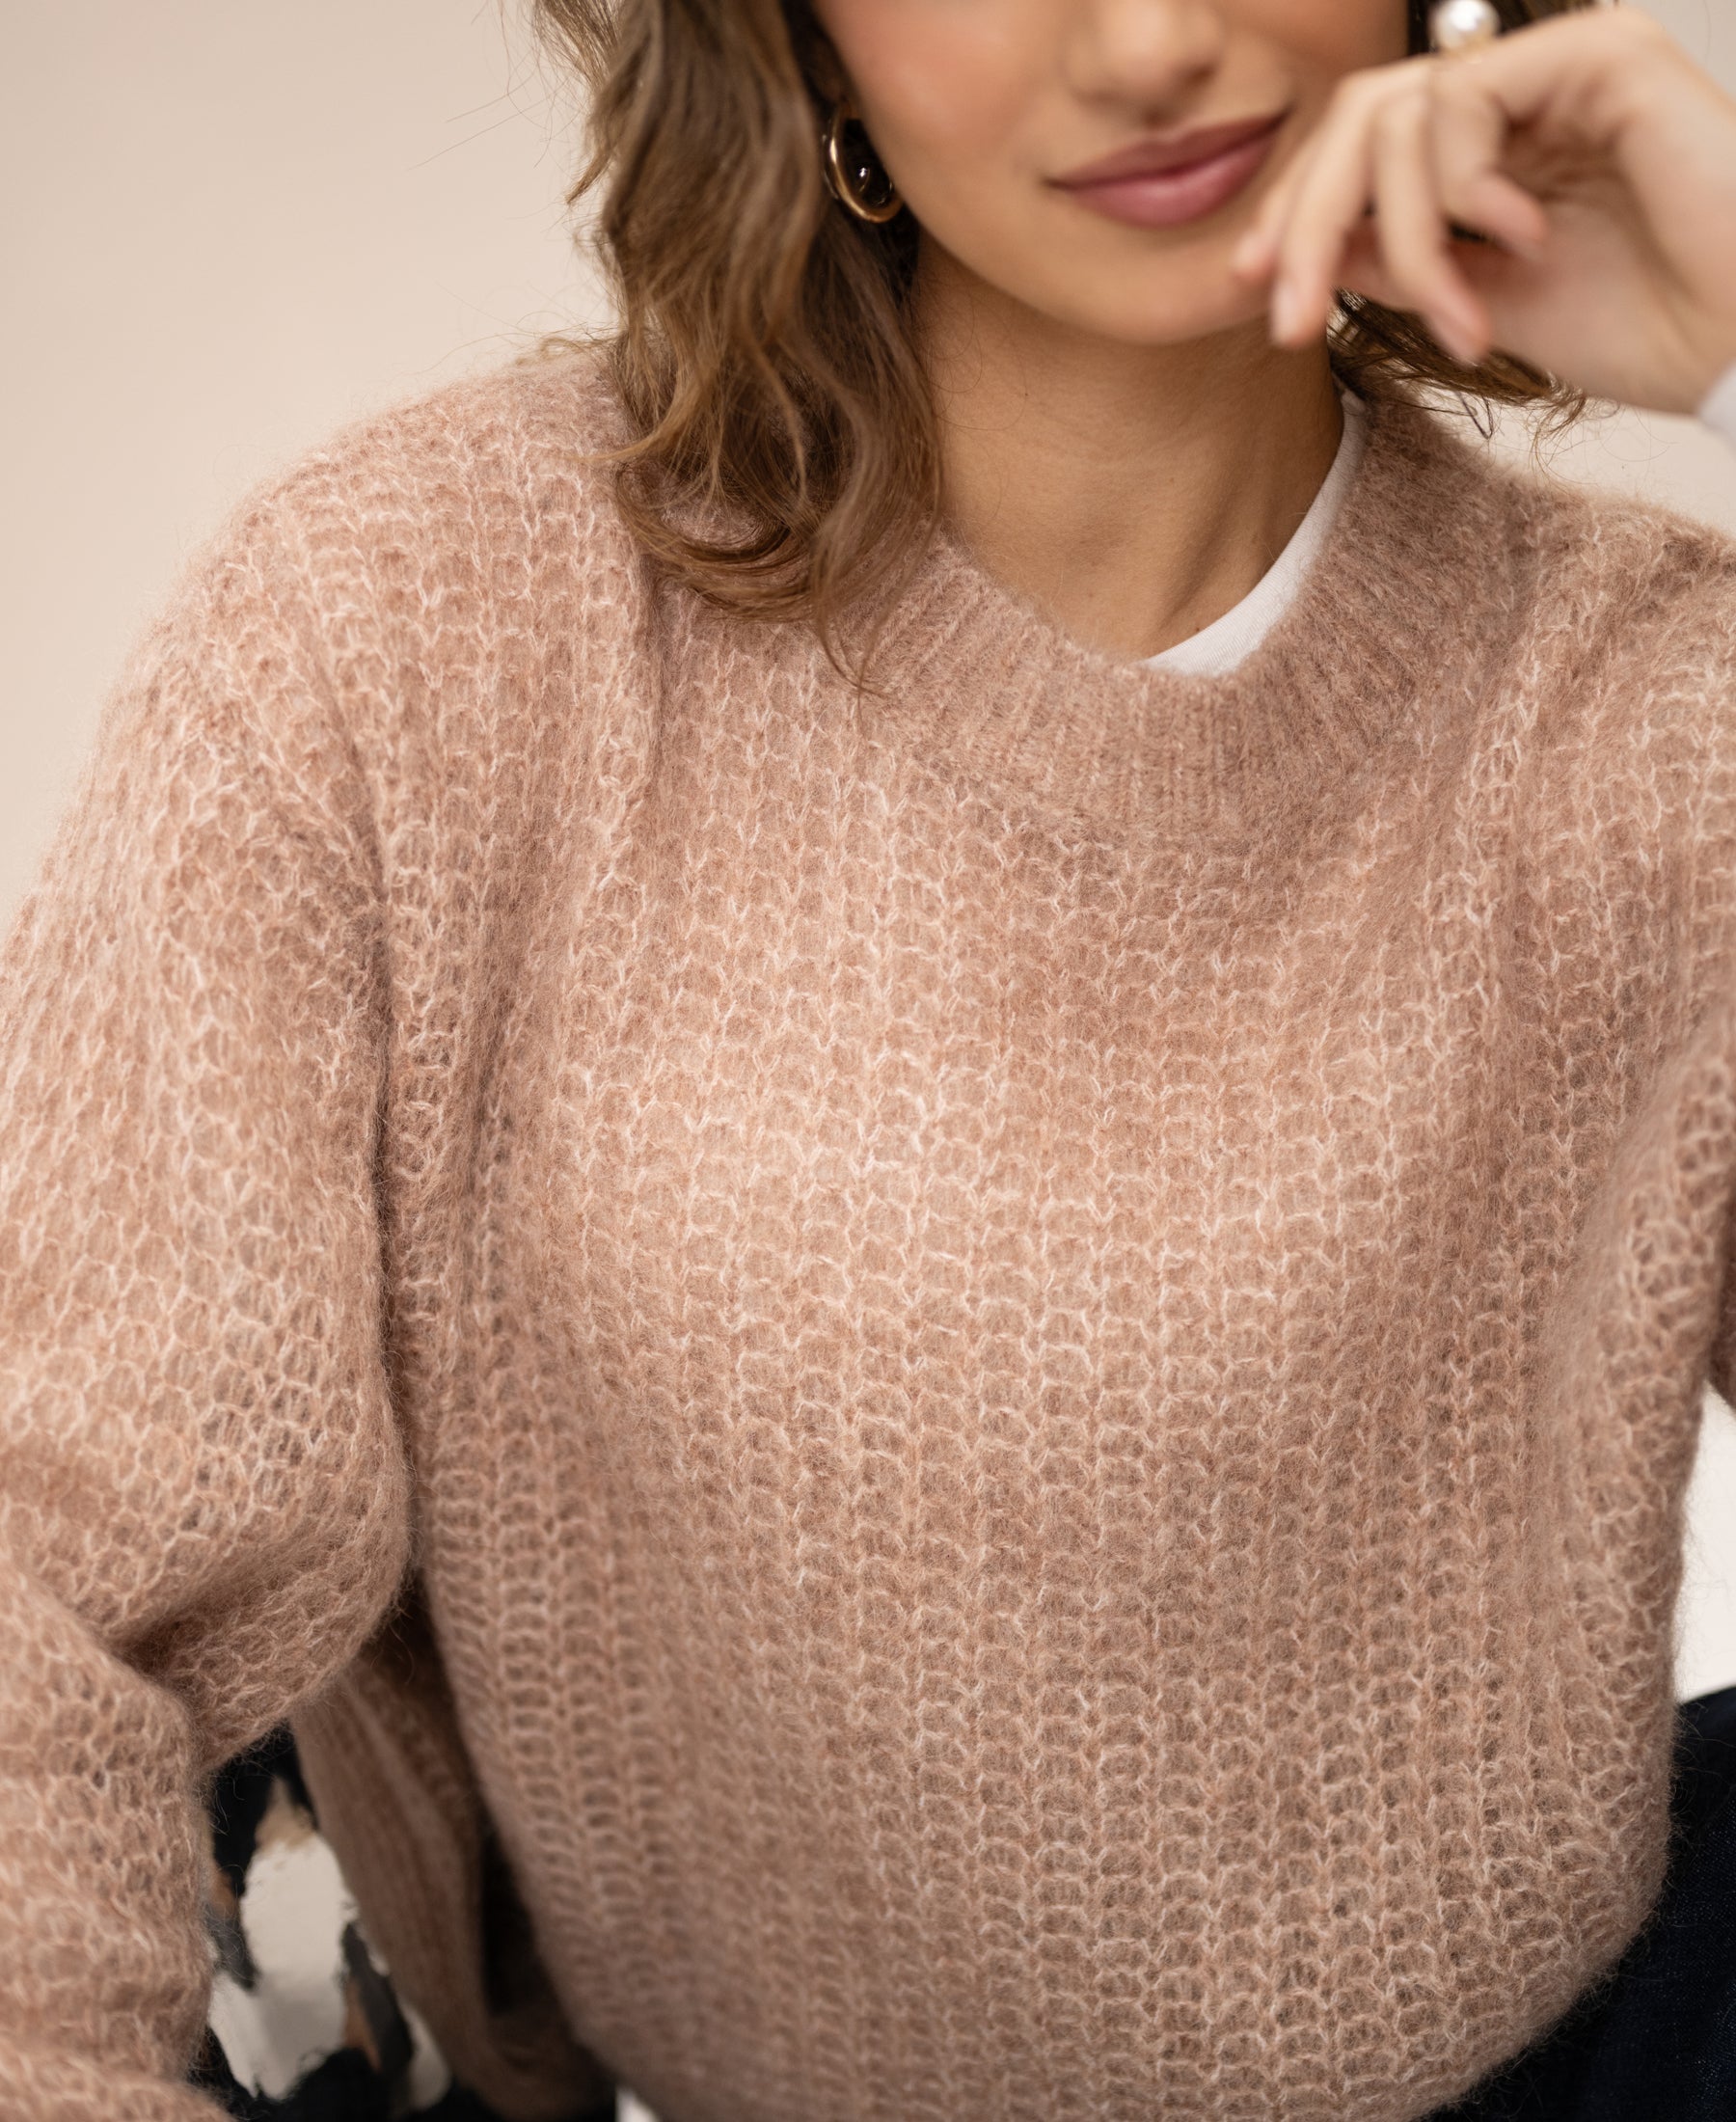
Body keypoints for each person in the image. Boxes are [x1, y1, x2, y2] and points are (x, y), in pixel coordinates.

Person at [5, 0, 1736, 2116]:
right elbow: (41, 1583)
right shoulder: (408, 637)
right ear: (798, 39)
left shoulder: (1666, 723)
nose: (1153, 39)